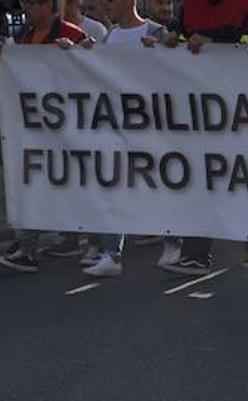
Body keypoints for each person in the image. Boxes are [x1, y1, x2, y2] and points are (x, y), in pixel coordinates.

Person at [143, 0, 248, 275]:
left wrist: (213, 39)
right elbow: (175, 34)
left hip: (238, 105)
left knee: (241, 174)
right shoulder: (187, 6)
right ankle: (195, 254)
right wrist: (165, 42)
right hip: (196, 106)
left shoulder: (247, 5)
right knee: (201, 177)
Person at [0, 0, 87, 271]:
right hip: (33, 128)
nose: (27, 10)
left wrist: (74, 52)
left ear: (48, 6)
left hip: (65, 128)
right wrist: (2, 55)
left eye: (32, 4)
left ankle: (73, 240)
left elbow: (92, 68)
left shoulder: (71, 33)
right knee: (32, 184)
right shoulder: (24, 37)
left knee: (63, 186)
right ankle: (26, 246)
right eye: (25, 4)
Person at [73, 0, 165, 277]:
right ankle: (111, 252)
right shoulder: (109, 36)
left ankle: (175, 241)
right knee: (110, 186)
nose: (104, 6)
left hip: (152, 127)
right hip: (116, 126)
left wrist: (160, 53)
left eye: (109, 1)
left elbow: (175, 72)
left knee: (161, 187)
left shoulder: (156, 31)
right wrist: (80, 54)